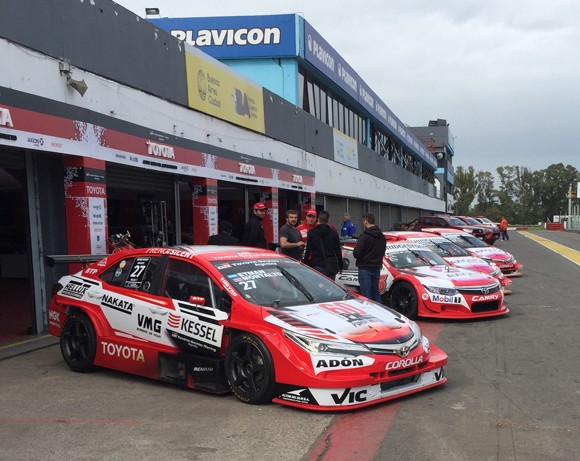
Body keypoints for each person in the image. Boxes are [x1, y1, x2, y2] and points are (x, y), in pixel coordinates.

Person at [353, 213, 386, 303]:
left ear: (366, 221)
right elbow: (383, 251)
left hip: (365, 268)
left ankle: (370, 313)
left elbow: (357, 253)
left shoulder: (364, 236)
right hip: (376, 267)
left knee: (366, 295)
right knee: (376, 292)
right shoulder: (382, 236)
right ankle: (380, 313)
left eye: (363, 222)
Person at [303, 210, 343, 280]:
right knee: (330, 287)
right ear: (328, 220)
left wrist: (305, 263)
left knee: (317, 288)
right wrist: (340, 265)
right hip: (331, 265)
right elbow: (338, 251)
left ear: (318, 219)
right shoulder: (333, 233)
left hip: (316, 264)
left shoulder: (312, 232)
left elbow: (308, 250)